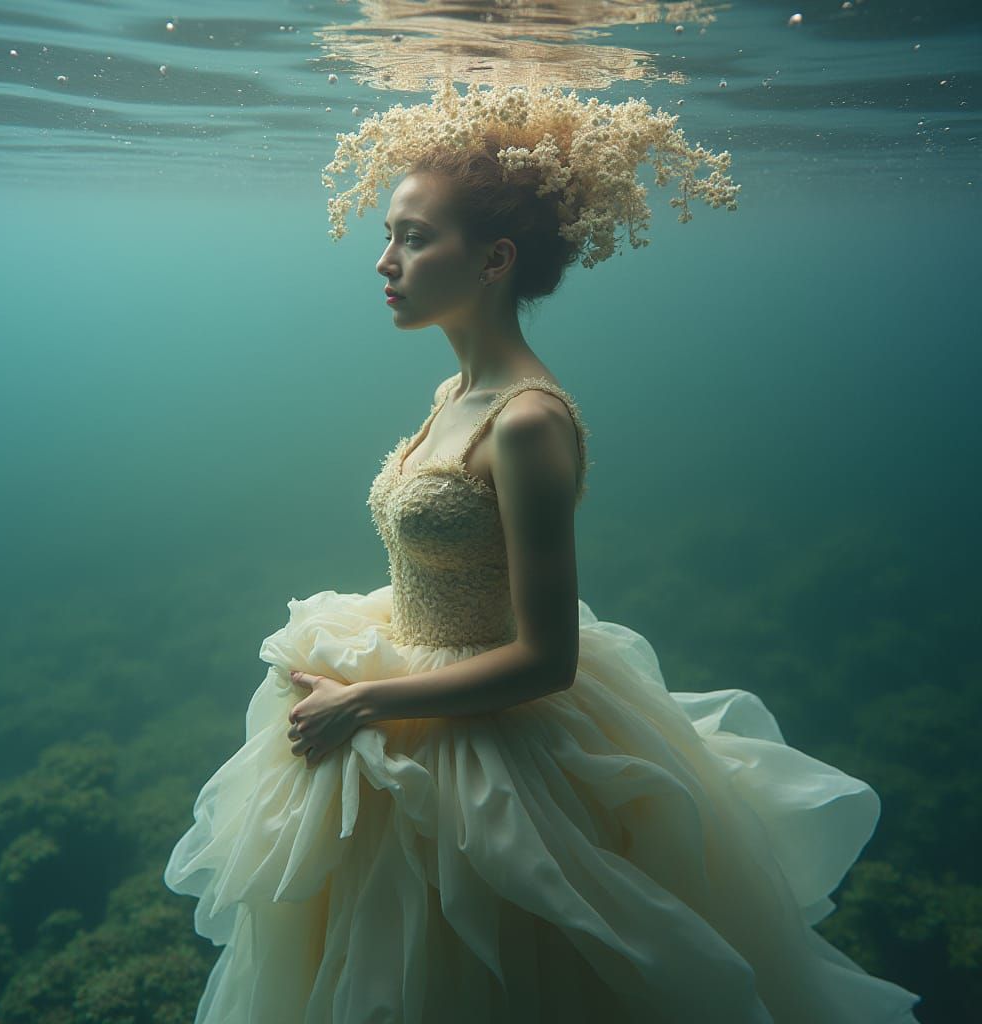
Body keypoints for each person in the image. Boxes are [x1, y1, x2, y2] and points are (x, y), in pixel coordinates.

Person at [164, 82, 922, 1023]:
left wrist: (367, 699)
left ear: (494, 258)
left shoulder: (526, 423)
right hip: (424, 715)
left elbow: (547, 659)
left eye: (411, 237)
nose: (383, 262)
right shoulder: (456, 394)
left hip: (491, 757)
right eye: (388, 234)